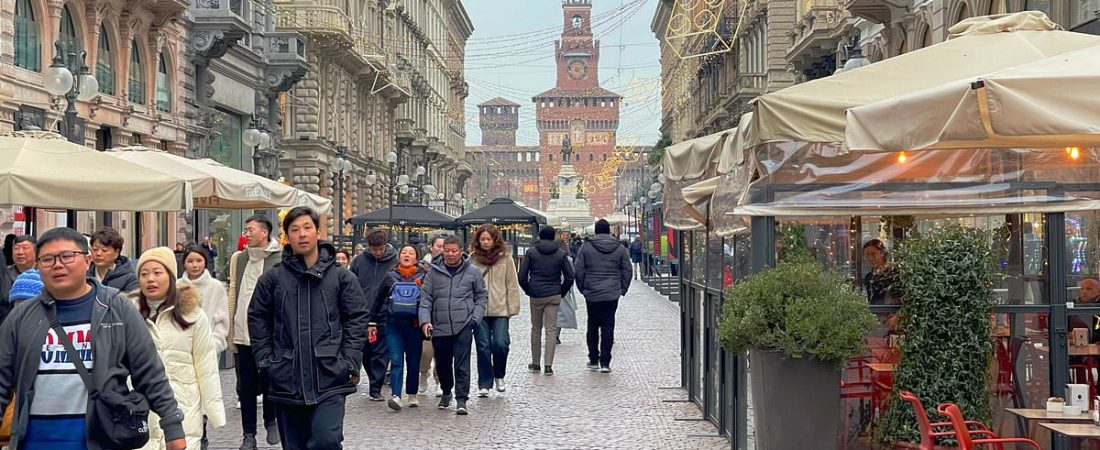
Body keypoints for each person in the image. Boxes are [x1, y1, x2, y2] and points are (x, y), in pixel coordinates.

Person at [0, 227, 187, 450]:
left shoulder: (116, 307)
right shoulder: (22, 316)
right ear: (38, 266)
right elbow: (2, 378)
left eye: (67, 256)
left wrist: (172, 426)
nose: (58, 265)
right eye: (47, 259)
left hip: (100, 437)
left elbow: (149, 372)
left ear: (87, 260)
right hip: (34, 440)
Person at [249, 206, 370, 450]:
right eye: (295, 230)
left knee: (327, 440)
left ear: (317, 232)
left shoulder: (341, 277)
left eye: (307, 228)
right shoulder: (272, 279)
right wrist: (266, 361)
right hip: (286, 376)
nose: (302, 234)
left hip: (330, 375)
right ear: (287, 236)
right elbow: (257, 319)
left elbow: (357, 318)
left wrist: (349, 361)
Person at [132, 247, 226, 450]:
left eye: (157, 273)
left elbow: (206, 364)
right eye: (144, 274)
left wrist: (213, 409)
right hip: (139, 410)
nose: (150, 279)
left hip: (184, 406)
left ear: (171, 276)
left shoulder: (193, 314)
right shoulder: (128, 314)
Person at [227, 214, 282, 449]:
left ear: (264, 233)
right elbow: (233, 290)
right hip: (241, 333)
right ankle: (248, 435)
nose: (246, 234)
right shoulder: (239, 258)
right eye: (245, 230)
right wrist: (230, 328)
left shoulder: (280, 258)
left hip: (269, 335)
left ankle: (271, 420)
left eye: (250, 230)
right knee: (246, 387)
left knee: (270, 381)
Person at [419, 236, 487, 415]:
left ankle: (462, 399)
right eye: (447, 250)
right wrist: (425, 320)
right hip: (439, 325)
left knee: (462, 364)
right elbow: (426, 298)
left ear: (461, 251)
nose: (450, 254)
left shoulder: (472, 271)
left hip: (463, 323)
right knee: (442, 363)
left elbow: (481, 296)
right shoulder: (433, 272)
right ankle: (446, 391)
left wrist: (475, 318)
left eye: (454, 251)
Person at [371, 245, 428, 411]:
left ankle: (412, 393)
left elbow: (429, 299)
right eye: (404, 252)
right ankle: (396, 395)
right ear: (399, 256)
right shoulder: (390, 276)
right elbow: (378, 298)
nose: (407, 255)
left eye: (411, 253)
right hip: (393, 325)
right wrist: (371, 321)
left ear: (416, 258)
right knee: (396, 361)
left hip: (414, 325)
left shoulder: (423, 276)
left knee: (413, 361)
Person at [468, 224, 520, 396]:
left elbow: (512, 284)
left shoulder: (505, 258)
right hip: (479, 310)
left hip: (500, 308)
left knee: (500, 344)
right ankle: (484, 382)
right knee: (483, 347)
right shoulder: (473, 259)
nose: (485, 242)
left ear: (494, 239)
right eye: (482, 239)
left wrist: (512, 307)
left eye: (488, 239)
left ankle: (499, 374)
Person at [574, 219, 632, 373]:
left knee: (592, 325)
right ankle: (605, 362)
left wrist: (583, 289)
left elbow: (578, 270)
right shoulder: (619, 248)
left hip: (592, 292)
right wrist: (622, 289)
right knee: (608, 326)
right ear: (608, 231)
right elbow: (627, 269)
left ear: (596, 231)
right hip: (612, 292)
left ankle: (593, 359)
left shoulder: (586, 248)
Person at [518, 226, 575, 376]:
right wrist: (561, 291)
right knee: (551, 330)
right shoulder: (560, 253)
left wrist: (528, 290)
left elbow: (522, 276)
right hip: (554, 294)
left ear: (540, 236)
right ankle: (548, 365)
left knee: (536, 328)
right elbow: (570, 276)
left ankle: (536, 363)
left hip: (536, 294)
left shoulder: (531, 252)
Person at [350, 228, 398, 402]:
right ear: (368, 247)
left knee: (380, 351)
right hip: (361, 312)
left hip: (385, 312)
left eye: (380, 249)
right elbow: (351, 284)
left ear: (385, 245)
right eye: (374, 249)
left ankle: (375, 388)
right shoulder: (359, 261)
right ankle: (372, 377)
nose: (377, 253)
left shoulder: (394, 261)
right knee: (365, 351)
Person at [180, 245, 229, 353]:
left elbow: (223, 320)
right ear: (184, 263)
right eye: (190, 261)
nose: (195, 265)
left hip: (209, 348)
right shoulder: (177, 286)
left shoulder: (216, 287)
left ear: (205, 262)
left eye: (199, 260)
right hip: (181, 350)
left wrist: (215, 345)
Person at [419, 235, 446, 395]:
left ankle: (439, 380)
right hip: (426, 313)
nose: (441, 250)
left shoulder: (450, 266)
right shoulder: (422, 266)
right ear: (431, 247)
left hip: (444, 314)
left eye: (444, 246)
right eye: (438, 246)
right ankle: (424, 373)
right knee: (426, 351)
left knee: (441, 351)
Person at [88, 227, 140, 293]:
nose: (98, 254)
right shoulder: (84, 274)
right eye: (95, 249)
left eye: (104, 250)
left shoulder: (130, 278)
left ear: (116, 252)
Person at [862, 239, 901, 306]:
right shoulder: (869, 276)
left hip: (889, 312)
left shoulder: (893, 273)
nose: (870, 258)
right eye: (867, 255)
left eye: (873, 254)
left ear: (882, 253)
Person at [1, 235, 35, 308]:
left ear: (36, 251)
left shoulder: (44, 274)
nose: (20, 252)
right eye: (16, 248)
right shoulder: (4, 274)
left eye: (25, 248)